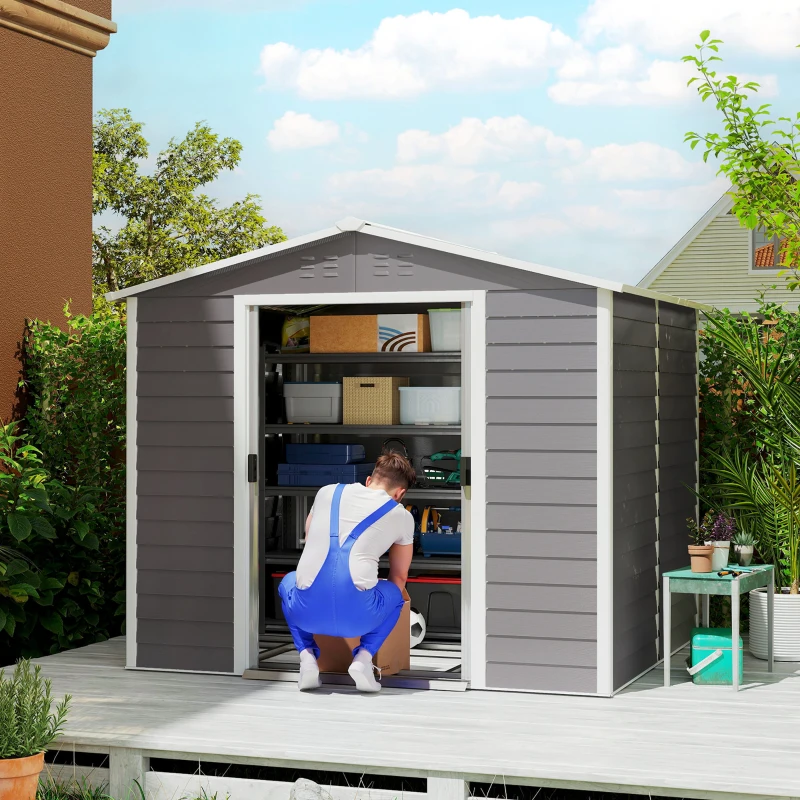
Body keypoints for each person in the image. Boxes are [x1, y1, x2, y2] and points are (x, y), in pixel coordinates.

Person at [278, 452, 416, 693]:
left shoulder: (327, 492)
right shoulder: (401, 516)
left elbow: (310, 540)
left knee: (288, 582)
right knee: (396, 596)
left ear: (368, 480)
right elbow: (399, 578)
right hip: (358, 619)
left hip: (306, 612)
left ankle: (307, 658)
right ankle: (363, 660)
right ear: (400, 494)